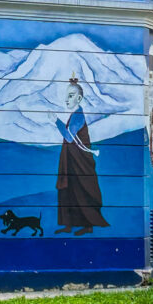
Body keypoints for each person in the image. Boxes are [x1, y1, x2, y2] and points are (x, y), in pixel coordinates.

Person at [54, 74, 109, 236]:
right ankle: (68, 224)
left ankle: (87, 225)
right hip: (72, 161)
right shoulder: (74, 114)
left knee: (82, 190)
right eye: (66, 96)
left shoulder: (78, 115)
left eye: (70, 96)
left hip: (80, 164)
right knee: (68, 191)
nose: (66, 100)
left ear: (79, 98)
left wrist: (56, 120)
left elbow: (69, 137)